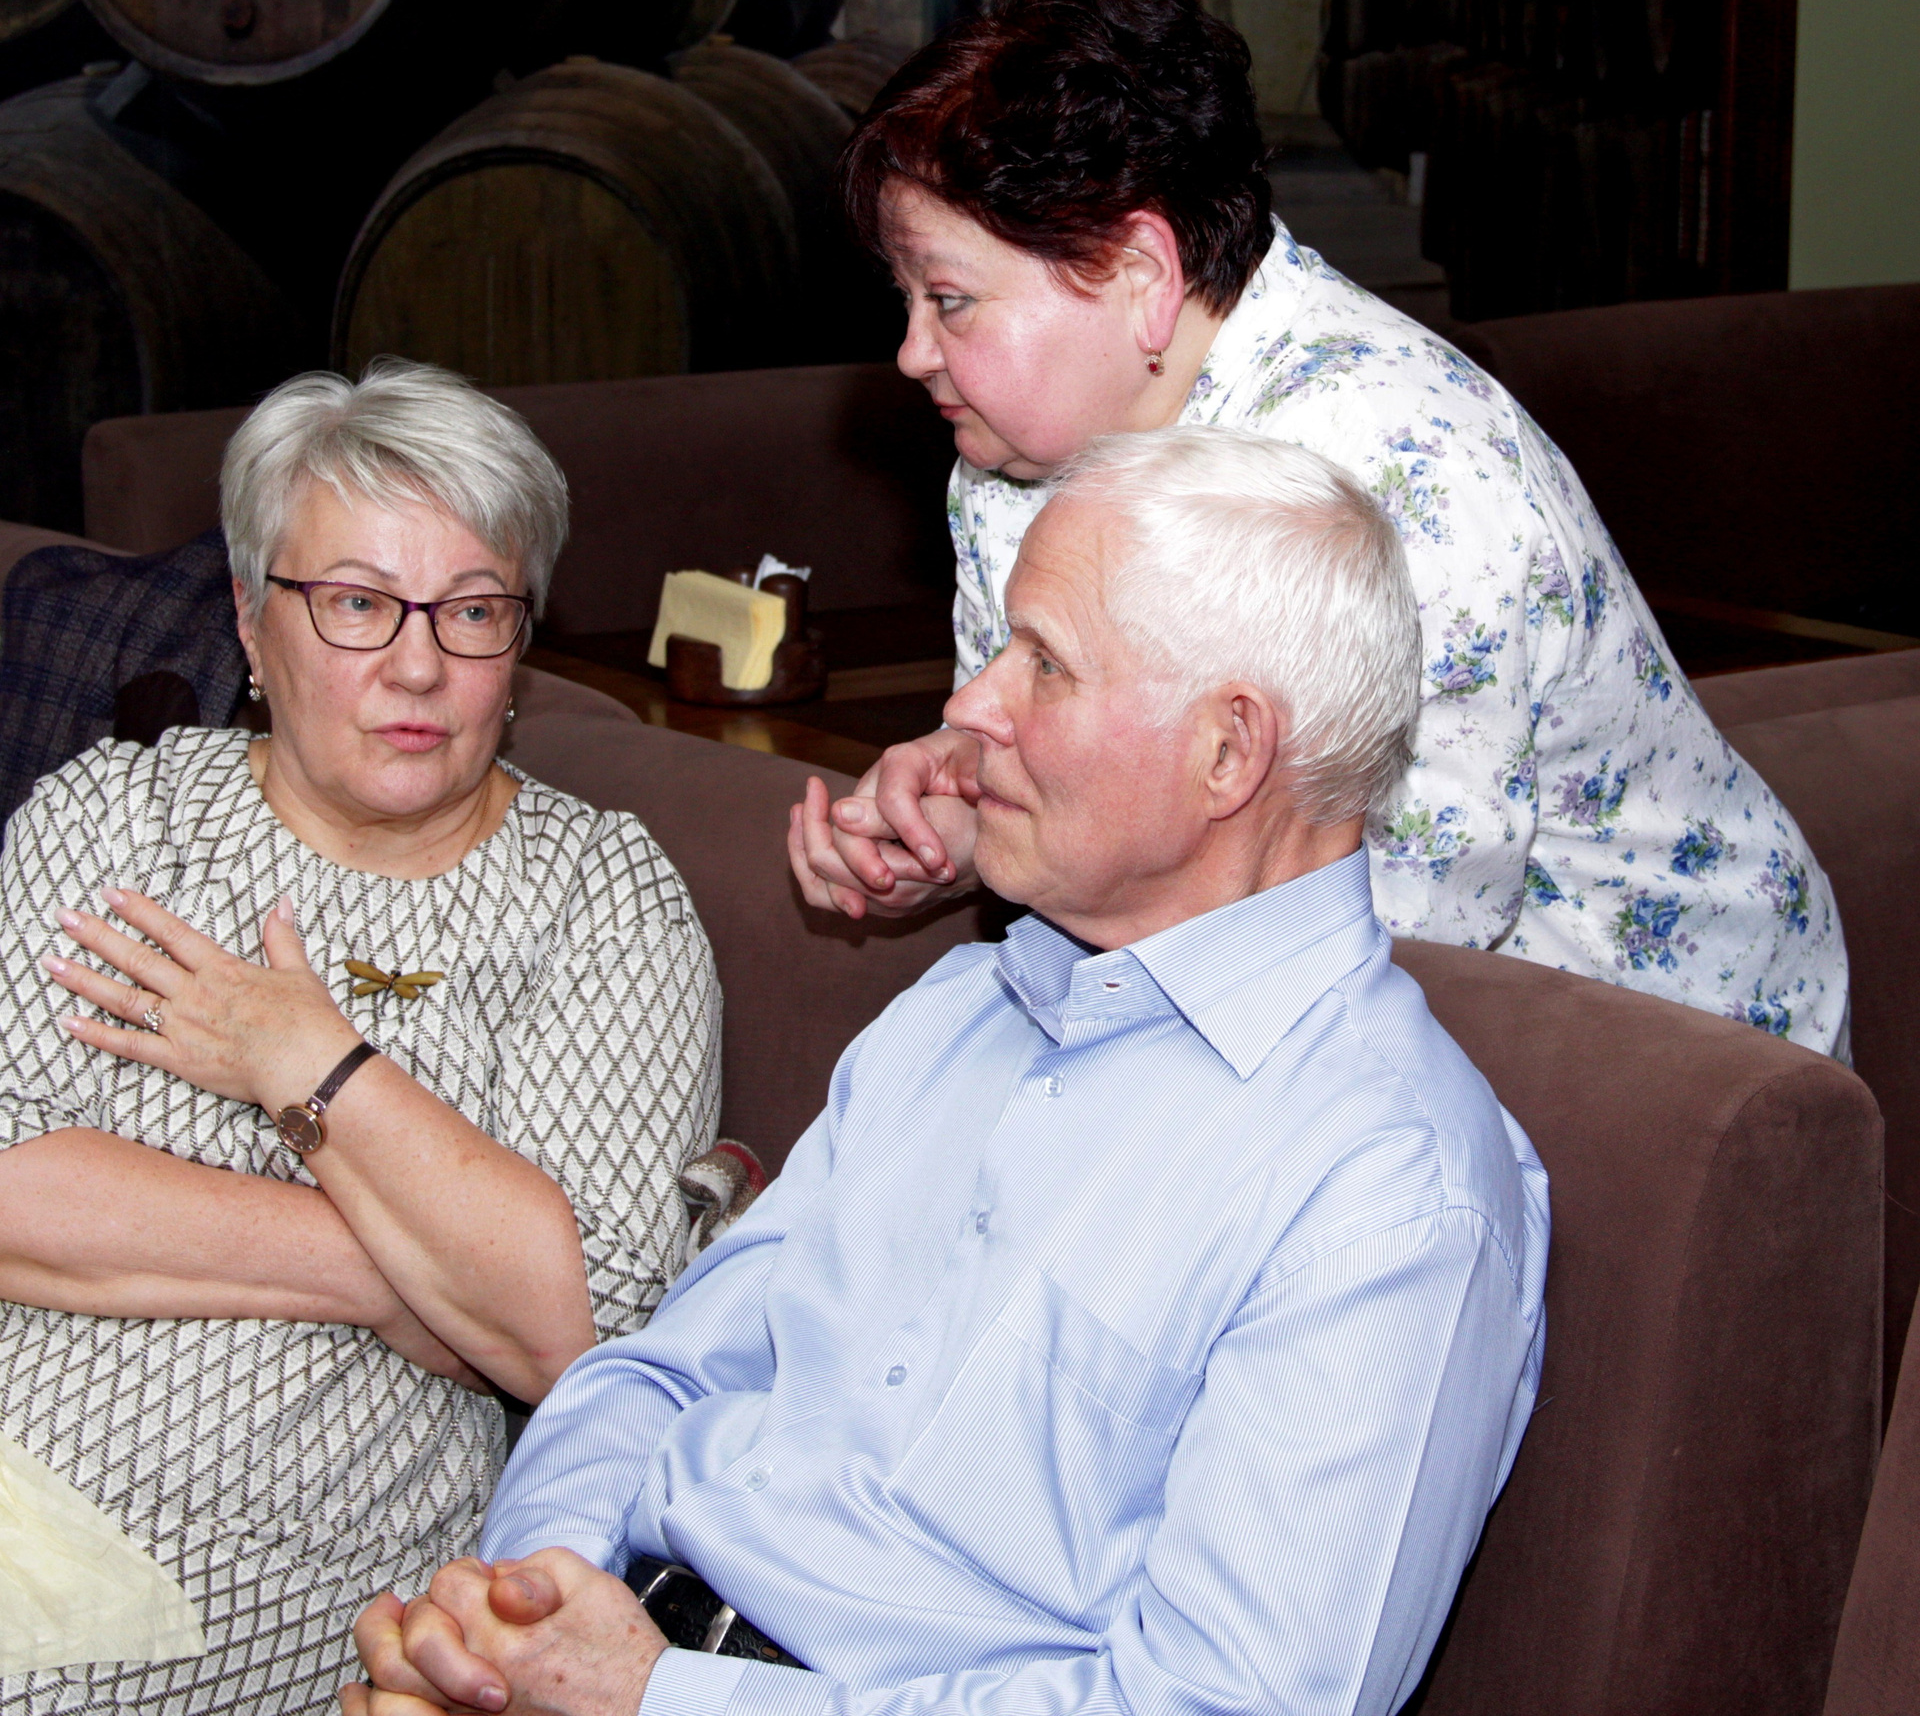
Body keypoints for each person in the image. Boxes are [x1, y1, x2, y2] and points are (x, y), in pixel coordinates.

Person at [346, 426, 1550, 1716]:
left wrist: (650, 1700)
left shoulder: (1388, 1189)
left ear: (1227, 752)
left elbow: (1221, 1705)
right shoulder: (965, 1008)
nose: (971, 708)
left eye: (1044, 663)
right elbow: (657, 1377)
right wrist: (510, 1629)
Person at [790, 0, 1846, 1056]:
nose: (912, 352)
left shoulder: (1407, 473)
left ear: (1139, 273)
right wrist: (964, 816)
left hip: (1658, 1043)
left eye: (950, 298)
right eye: (906, 298)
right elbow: (1059, 770)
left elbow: (1413, 922)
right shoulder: (1012, 452)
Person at [0, 361, 722, 1716]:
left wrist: (308, 1063)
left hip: (275, 1538)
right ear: (249, 619)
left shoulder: (597, 896)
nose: (418, 664)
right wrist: (402, 1271)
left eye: (473, 610)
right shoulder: (121, 817)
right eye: (354, 602)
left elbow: (590, 1328)